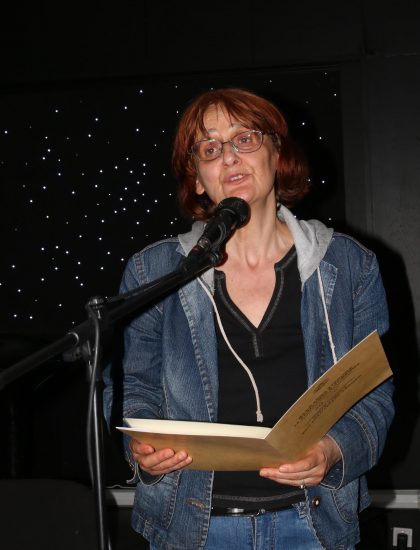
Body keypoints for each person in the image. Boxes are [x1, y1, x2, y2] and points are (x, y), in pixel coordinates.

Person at [103, 88, 394, 549]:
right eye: (210, 148)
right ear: (198, 179)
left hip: (314, 526)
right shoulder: (153, 271)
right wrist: (142, 447)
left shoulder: (350, 266)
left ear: (278, 153)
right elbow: (131, 386)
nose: (229, 157)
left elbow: (374, 396)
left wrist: (334, 449)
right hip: (190, 530)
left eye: (245, 139)